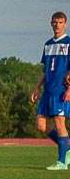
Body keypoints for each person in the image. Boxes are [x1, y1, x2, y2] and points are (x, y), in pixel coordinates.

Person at [30, 10, 70, 170]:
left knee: (60, 124)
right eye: (55, 22)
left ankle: (62, 162)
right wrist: (37, 87)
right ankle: (67, 148)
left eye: (60, 22)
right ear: (51, 23)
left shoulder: (68, 43)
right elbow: (45, 70)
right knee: (41, 125)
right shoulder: (48, 45)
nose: (57, 25)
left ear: (65, 24)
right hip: (48, 90)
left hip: (61, 90)